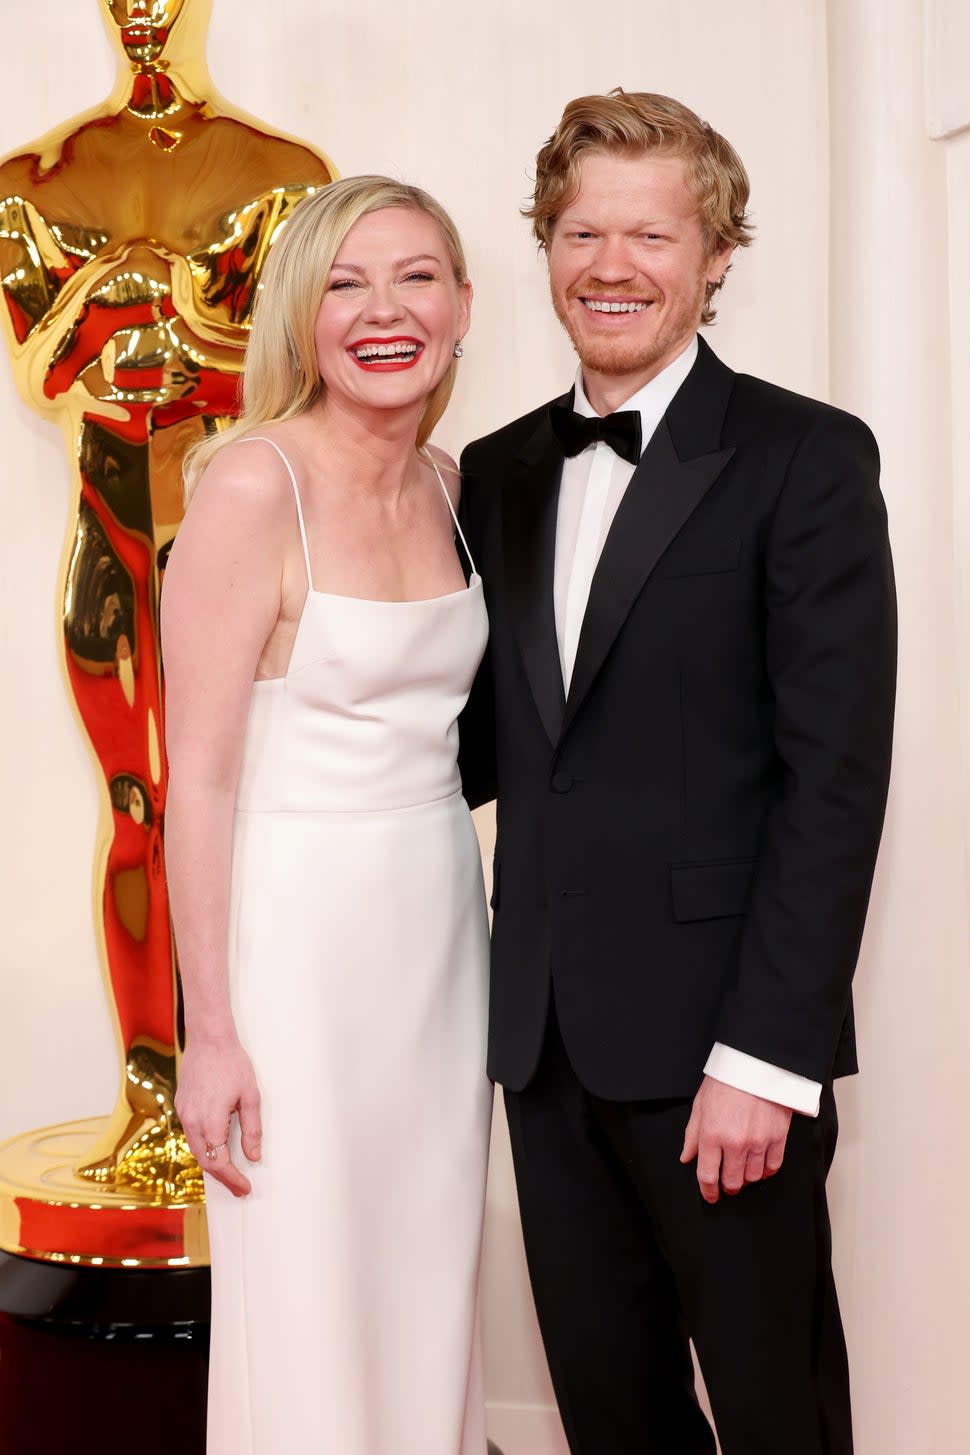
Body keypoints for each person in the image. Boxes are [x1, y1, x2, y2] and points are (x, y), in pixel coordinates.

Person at [458, 90, 896, 1455]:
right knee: (612, 1416)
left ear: (716, 255)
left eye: (651, 233)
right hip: (542, 1049)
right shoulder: (492, 469)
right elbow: (476, 744)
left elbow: (835, 775)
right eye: (580, 229)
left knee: (776, 1417)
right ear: (543, 244)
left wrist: (765, 1057)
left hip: (723, 1046)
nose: (609, 264)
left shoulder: (804, 457)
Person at [161, 175, 491, 1455]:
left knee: (425, 1275)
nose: (382, 310)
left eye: (414, 277)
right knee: (304, 1288)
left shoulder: (456, 487)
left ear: (461, 306)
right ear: (302, 317)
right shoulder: (251, 487)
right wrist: (213, 1031)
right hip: (292, 954)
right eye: (344, 284)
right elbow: (201, 775)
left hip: (437, 940)